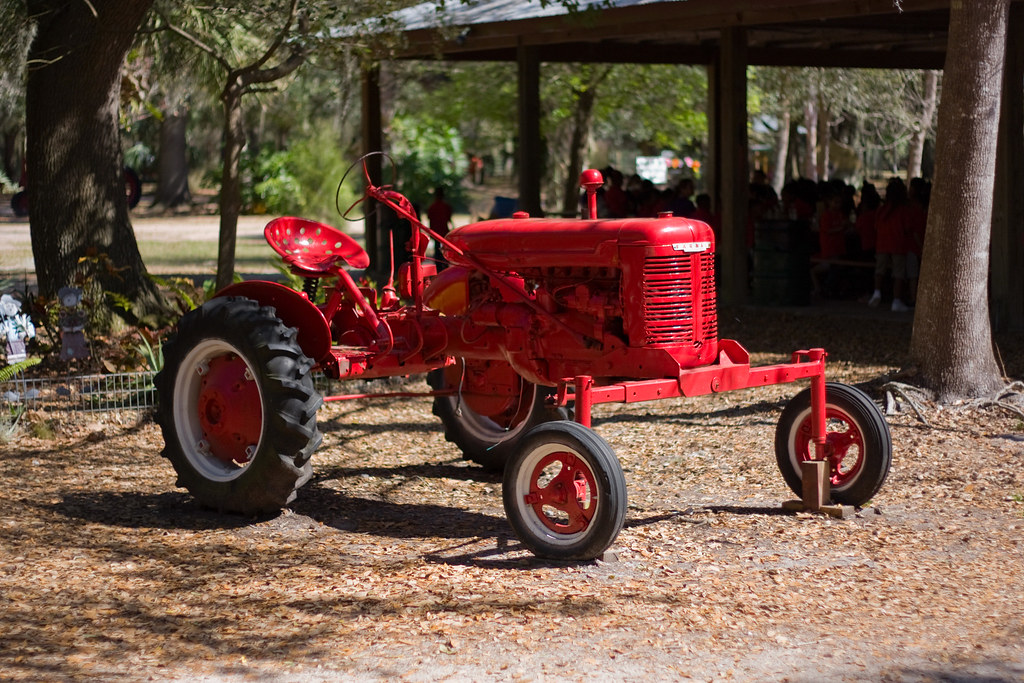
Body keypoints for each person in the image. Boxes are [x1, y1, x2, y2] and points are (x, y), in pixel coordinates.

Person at [869, 177, 911, 311]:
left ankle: (876, 292)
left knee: (879, 270)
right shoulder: (903, 210)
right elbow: (907, 228)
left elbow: (875, 227)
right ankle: (896, 300)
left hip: (882, 244)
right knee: (898, 273)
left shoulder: (882, 210)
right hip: (898, 245)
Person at [427, 187, 454, 269]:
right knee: (445, 250)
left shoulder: (432, 207)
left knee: (437, 249)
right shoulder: (446, 207)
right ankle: (445, 266)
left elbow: (430, 219)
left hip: (435, 231)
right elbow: (449, 219)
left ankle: (438, 267)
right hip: (444, 231)